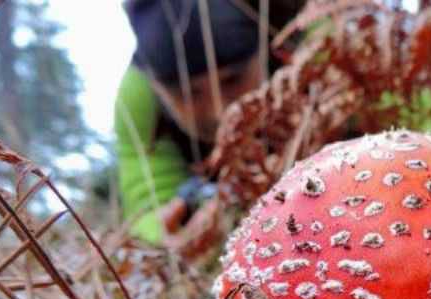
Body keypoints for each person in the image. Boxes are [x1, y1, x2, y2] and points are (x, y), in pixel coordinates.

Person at [115, 0, 301, 259]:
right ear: (157, 88)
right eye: (190, 93)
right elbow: (148, 204)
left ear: (266, 50)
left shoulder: (310, 40)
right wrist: (166, 234)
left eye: (232, 79)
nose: (220, 111)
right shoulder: (137, 99)